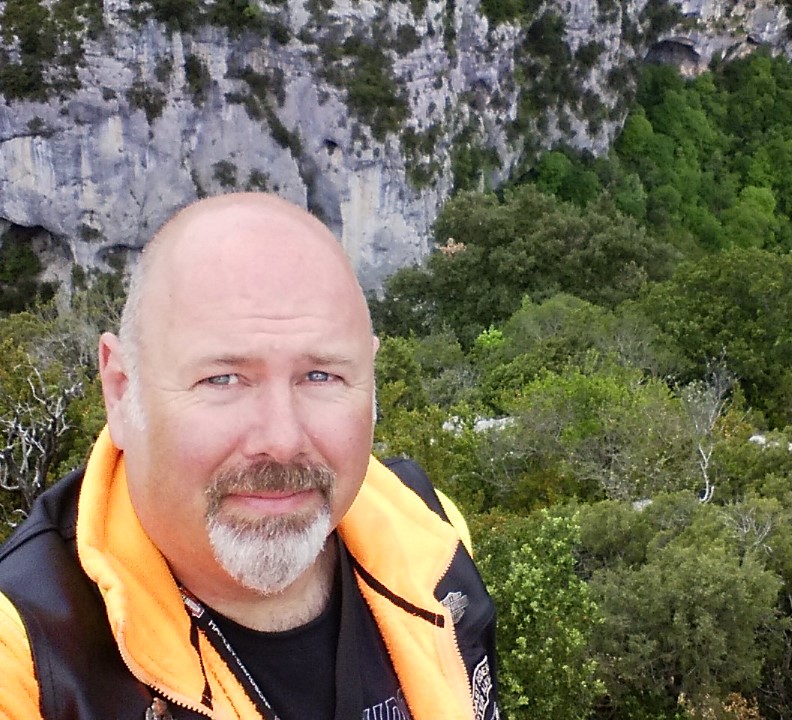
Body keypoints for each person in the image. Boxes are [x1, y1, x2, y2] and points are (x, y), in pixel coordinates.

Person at [0, 193, 499, 720]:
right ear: (122, 391)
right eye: (223, 379)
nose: (281, 440)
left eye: (321, 375)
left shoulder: (429, 533)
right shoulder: (28, 661)